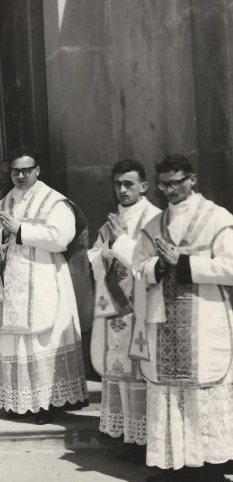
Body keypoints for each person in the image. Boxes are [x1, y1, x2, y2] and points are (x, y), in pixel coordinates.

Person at [132, 154, 233, 482]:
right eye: (164, 184)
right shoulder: (154, 224)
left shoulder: (217, 218)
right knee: (169, 394)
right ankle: (173, 466)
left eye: (176, 182)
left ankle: (211, 471)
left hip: (204, 319)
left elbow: (231, 266)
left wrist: (184, 263)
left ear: (192, 179)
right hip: (164, 321)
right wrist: (159, 267)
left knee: (202, 396)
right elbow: (138, 266)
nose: (170, 190)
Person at [0, 147, 88, 424]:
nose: (20, 176)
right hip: (11, 280)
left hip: (43, 276)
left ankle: (46, 403)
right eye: (15, 171)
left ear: (37, 171)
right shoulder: (3, 202)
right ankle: (19, 402)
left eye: (26, 171)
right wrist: (0, 236)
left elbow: (60, 238)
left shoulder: (54, 201)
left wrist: (20, 230)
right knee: (14, 340)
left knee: (42, 339)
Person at [87, 160, 159, 462]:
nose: (122, 189)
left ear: (143, 186)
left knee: (141, 372)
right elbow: (95, 254)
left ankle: (145, 439)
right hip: (116, 307)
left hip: (141, 305)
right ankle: (127, 435)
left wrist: (119, 244)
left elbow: (151, 261)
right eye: (118, 184)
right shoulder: (113, 219)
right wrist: (105, 252)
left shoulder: (154, 218)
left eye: (129, 183)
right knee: (119, 369)